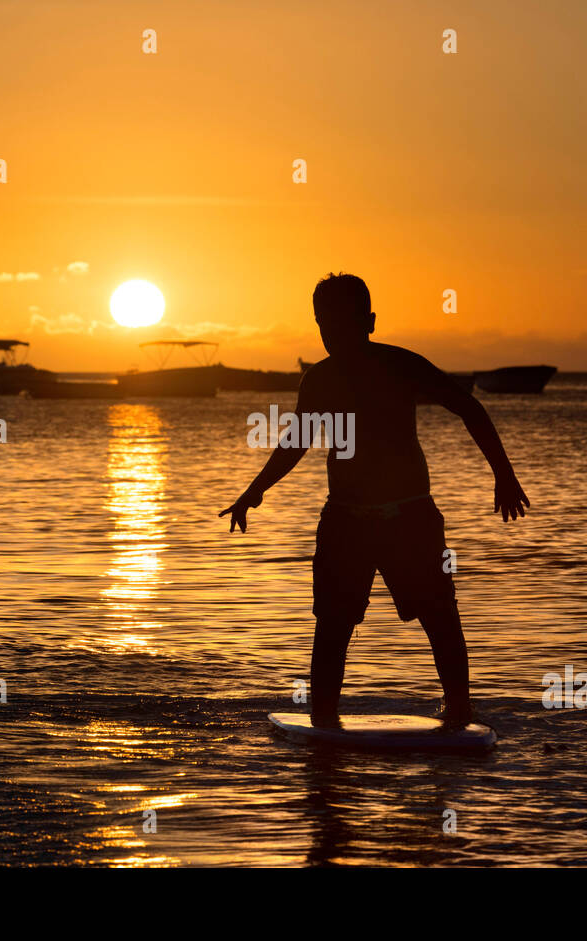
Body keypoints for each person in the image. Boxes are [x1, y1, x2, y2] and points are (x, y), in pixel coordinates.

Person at [219, 273, 528, 728]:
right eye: (324, 324)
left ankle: (460, 712)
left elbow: (469, 407)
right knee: (332, 626)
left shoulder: (401, 365)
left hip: (411, 518)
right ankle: (323, 720)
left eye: (342, 324)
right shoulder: (319, 380)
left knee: (440, 616)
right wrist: (254, 490)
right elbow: (297, 441)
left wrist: (503, 474)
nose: (332, 335)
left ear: (370, 322)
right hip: (346, 521)